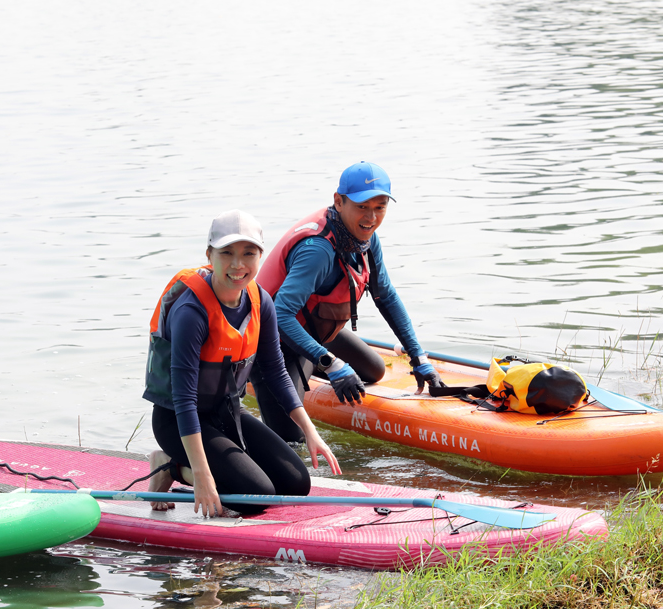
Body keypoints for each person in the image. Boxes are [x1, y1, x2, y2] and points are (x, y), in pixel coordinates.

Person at [143, 210, 341, 517]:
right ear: (210, 255)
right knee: (257, 496)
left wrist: (310, 431)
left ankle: (193, 466)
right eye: (227, 253)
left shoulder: (261, 300)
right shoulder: (191, 312)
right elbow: (183, 400)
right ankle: (173, 466)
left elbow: (276, 372)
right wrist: (202, 476)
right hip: (177, 421)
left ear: (261, 255)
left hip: (225, 413)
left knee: (296, 483)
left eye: (249, 253)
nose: (238, 265)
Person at [251, 161, 445, 443]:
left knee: (375, 370)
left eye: (380, 207)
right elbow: (280, 315)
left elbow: (386, 296)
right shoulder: (317, 250)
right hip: (272, 344)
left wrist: (420, 358)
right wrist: (333, 365)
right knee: (294, 442)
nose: (371, 217)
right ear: (339, 202)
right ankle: (308, 368)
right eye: (362, 206)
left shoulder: (366, 238)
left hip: (314, 331)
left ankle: (314, 363)